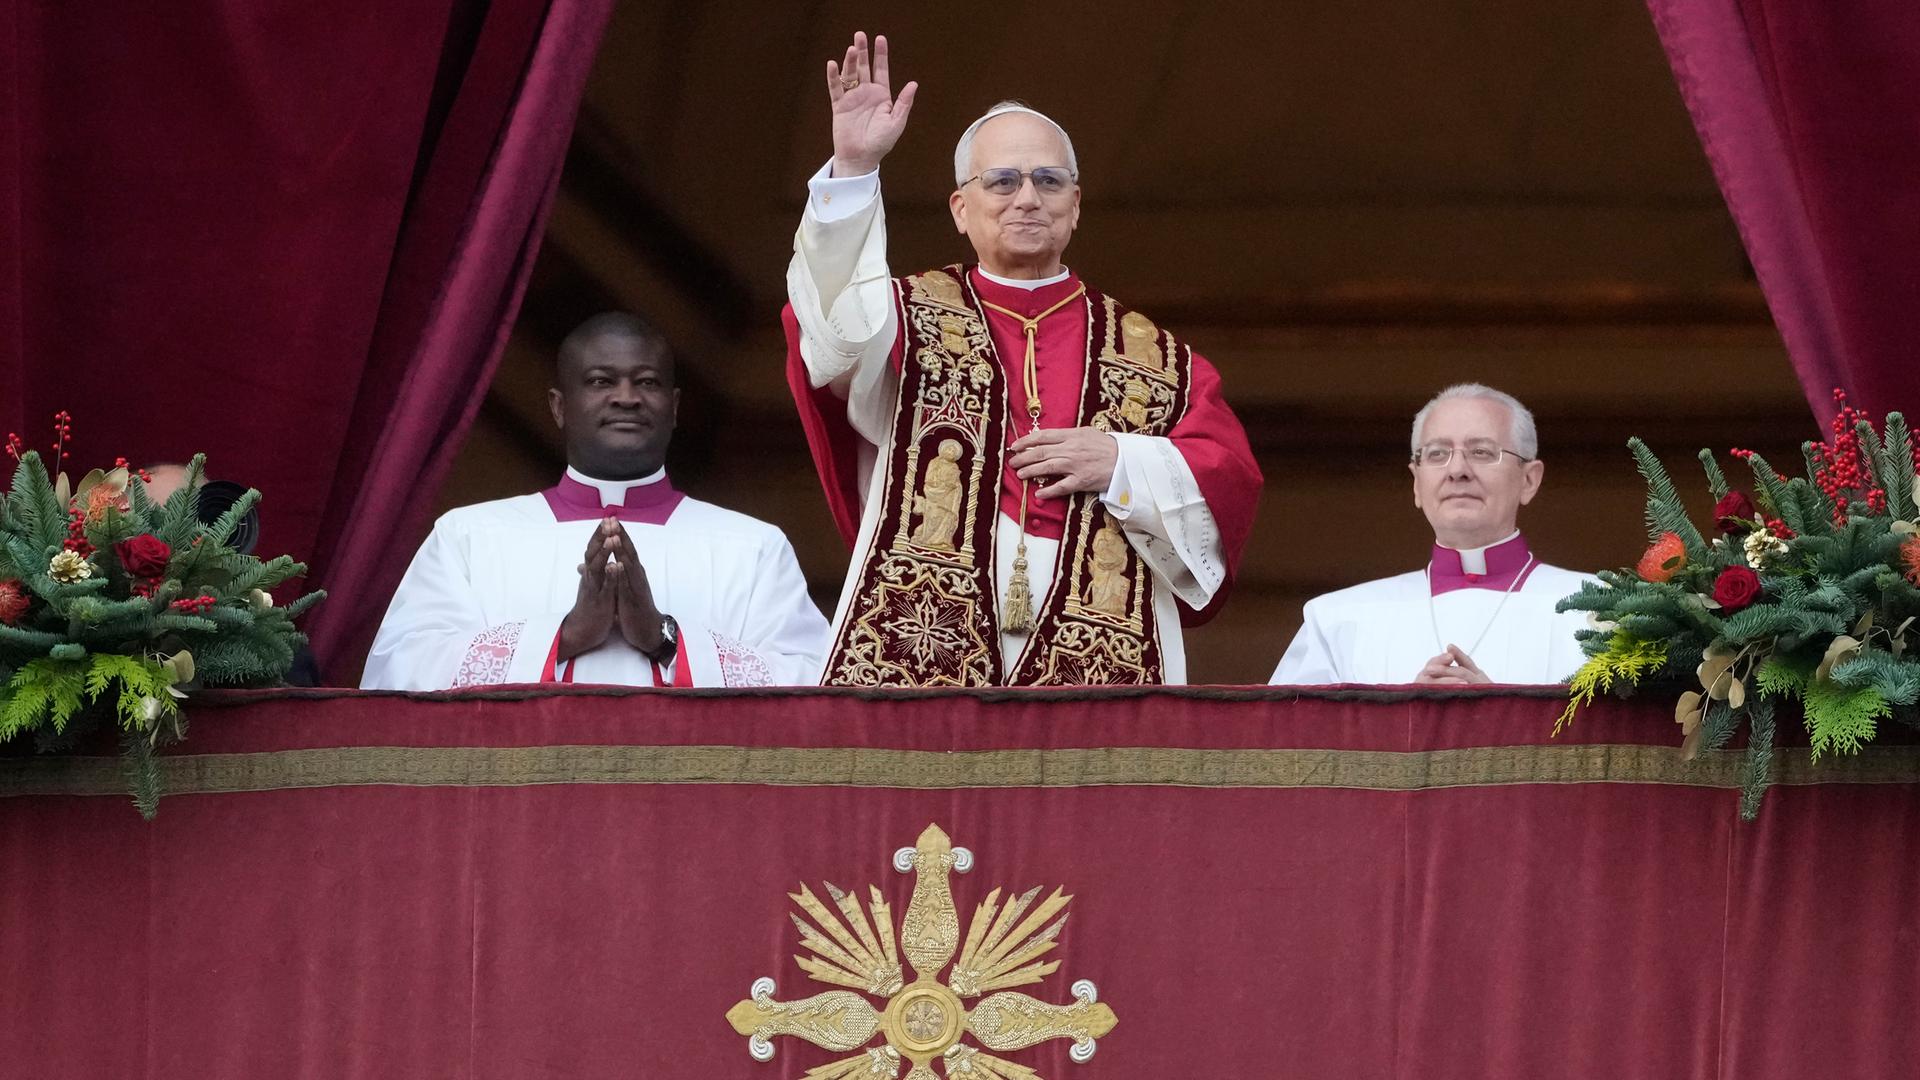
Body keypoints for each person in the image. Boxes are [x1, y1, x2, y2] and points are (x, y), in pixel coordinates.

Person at [784, 32, 1263, 687]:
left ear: (1075, 206)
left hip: (1102, 629)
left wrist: (1122, 462)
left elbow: (1228, 478)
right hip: (925, 619)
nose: (1028, 198)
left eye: (1049, 180)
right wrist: (854, 169)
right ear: (961, 208)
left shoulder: (1156, 357)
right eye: (1002, 181)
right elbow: (830, 327)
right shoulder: (900, 314)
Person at [362, 313, 831, 690]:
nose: (626, 397)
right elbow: (400, 672)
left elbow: (815, 684)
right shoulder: (468, 536)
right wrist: (564, 636)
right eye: (601, 381)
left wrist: (665, 637)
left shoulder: (753, 547)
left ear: (674, 407)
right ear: (559, 406)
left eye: (647, 382)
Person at [1270, 384, 1589, 685]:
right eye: (1437, 454)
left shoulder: (1599, 611)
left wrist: (1502, 714)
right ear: (1416, 483)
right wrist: (1407, 716)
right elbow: (1287, 726)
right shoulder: (1336, 620)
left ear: (1529, 480)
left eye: (1481, 452)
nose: (1457, 470)